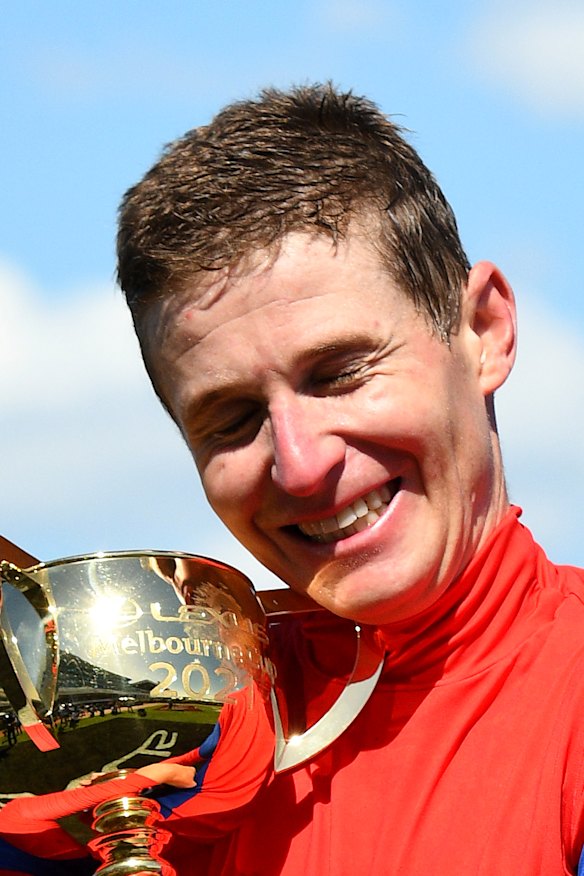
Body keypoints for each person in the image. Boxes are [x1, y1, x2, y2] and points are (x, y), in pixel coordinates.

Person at [4, 83, 584, 873]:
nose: (303, 464)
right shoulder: (139, 771)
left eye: (341, 372)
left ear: (484, 331)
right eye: (233, 419)